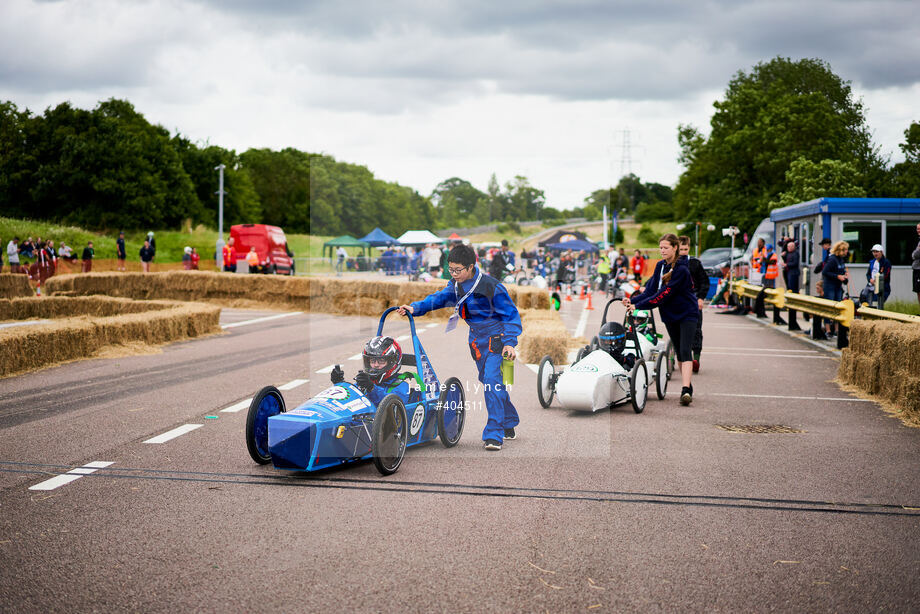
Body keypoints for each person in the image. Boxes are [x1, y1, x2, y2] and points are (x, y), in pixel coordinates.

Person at [397, 243, 522, 451]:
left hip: (496, 339)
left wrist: (509, 342)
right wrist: (415, 307)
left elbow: (511, 315)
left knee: (492, 381)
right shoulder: (455, 286)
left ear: (471, 266)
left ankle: (494, 434)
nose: (454, 274)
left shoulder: (491, 286)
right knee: (490, 382)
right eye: (451, 269)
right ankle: (508, 421)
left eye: (458, 270)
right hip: (476, 341)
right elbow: (438, 299)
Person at [623, 234, 698, 406]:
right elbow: (650, 291)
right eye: (661, 247)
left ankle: (685, 390)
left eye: (666, 248)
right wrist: (632, 300)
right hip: (670, 315)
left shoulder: (681, 270)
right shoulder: (660, 266)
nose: (662, 250)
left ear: (675, 248)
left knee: (686, 350)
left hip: (687, 313)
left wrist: (639, 306)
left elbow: (663, 295)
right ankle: (688, 384)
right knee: (679, 350)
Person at [330, 336, 413, 408]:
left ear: (392, 362)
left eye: (381, 361)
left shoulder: (402, 386)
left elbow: (391, 405)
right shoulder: (367, 383)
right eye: (372, 361)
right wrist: (340, 384)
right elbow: (350, 398)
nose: (376, 365)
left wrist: (372, 388)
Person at [678, 236, 710, 373]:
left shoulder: (695, 263)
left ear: (689, 248)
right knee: (677, 331)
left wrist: (701, 298)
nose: (683, 252)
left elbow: (704, 282)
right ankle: (679, 357)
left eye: (685, 249)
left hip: (694, 301)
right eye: (681, 249)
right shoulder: (672, 263)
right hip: (678, 302)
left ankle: (695, 359)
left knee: (696, 330)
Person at [821, 241, 850, 338]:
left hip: (838, 287)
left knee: (838, 308)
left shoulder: (841, 260)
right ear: (841, 250)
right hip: (829, 286)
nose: (847, 251)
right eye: (846, 249)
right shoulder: (832, 259)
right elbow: (825, 272)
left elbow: (842, 271)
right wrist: (837, 276)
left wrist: (844, 277)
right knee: (829, 307)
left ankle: (837, 329)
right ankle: (828, 329)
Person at [754, 243, 785, 325]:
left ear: (771, 249)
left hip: (771, 277)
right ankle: (760, 311)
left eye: (768, 249)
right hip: (766, 276)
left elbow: (771, 262)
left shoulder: (773, 255)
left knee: (766, 291)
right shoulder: (766, 255)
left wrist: (764, 258)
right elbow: (761, 263)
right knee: (761, 294)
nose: (767, 251)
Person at [864, 244, 892, 308]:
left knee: (878, 304)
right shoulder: (872, 262)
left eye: (877, 252)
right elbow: (868, 274)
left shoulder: (886, 262)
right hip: (871, 286)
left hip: (882, 287)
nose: (875, 253)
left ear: (881, 252)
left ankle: (879, 317)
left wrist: (877, 281)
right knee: (865, 300)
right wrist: (870, 279)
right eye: (873, 252)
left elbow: (886, 275)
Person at [783, 240, 802, 330]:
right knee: (789, 287)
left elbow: (795, 263)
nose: (788, 248)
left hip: (793, 273)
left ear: (794, 247)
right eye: (788, 247)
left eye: (790, 247)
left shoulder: (796, 254)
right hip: (788, 272)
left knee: (793, 288)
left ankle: (794, 301)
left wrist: (786, 264)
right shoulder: (787, 253)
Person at [913, 222, 920, 309]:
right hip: (916, 269)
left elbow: (916, 254)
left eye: (919, 228)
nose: (918, 230)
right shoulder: (918, 240)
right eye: (917, 229)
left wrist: (913, 255)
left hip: (919, 269)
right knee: (918, 291)